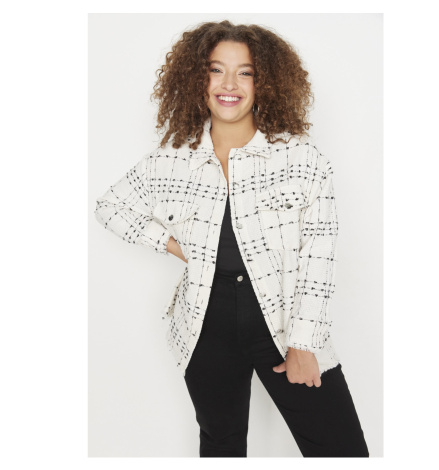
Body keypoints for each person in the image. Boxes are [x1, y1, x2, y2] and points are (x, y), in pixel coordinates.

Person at [94, 20, 369, 458]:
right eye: (216, 70)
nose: (229, 85)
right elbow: (110, 206)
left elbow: (320, 255)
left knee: (341, 451)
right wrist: (172, 245)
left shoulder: (301, 158)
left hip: (281, 323)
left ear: (265, 83)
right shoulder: (172, 159)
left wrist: (303, 344)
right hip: (206, 325)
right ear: (197, 79)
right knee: (220, 446)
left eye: (246, 72)